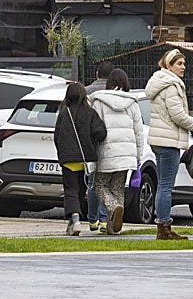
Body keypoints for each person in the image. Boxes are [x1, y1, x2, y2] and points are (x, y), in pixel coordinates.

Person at [145, 48, 193, 241]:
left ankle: (163, 226)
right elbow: (178, 116)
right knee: (166, 185)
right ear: (168, 65)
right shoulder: (171, 85)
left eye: (184, 64)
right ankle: (163, 227)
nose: (183, 67)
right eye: (179, 64)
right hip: (168, 140)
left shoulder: (160, 82)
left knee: (163, 184)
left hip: (161, 139)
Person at [89, 68, 147, 235]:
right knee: (118, 187)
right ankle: (113, 228)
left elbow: (95, 128)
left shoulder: (98, 101)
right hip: (127, 153)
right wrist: (138, 156)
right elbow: (138, 131)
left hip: (105, 151)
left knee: (100, 185)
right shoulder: (133, 103)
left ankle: (115, 208)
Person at [53, 82, 107, 236]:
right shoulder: (90, 113)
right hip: (85, 160)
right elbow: (101, 133)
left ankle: (75, 219)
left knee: (71, 190)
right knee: (81, 190)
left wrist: (62, 152)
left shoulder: (64, 113)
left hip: (68, 159)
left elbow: (57, 136)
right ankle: (77, 219)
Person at [83, 60, 115, 230]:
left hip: (91, 142)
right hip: (110, 142)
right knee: (106, 184)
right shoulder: (115, 94)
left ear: (97, 74)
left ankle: (92, 219)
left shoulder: (87, 92)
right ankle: (104, 219)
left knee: (92, 183)